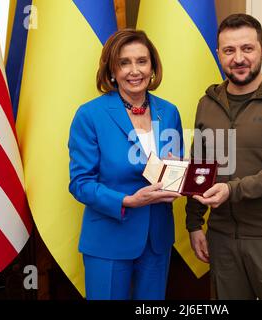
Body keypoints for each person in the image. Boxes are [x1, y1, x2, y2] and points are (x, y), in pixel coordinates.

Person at [186, 14, 262, 300]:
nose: (238, 58)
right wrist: (194, 223)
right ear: (218, 54)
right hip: (221, 240)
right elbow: (199, 167)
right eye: (229, 50)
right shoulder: (207, 104)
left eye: (247, 48)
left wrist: (232, 190)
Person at [68, 29, 183, 300]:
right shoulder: (90, 115)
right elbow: (80, 184)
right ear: (112, 70)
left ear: (152, 67)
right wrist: (127, 200)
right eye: (124, 62)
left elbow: (173, 170)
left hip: (157, 241)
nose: (135, 71)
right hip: (108, 239)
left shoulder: (170, 112)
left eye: (142, 61)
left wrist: (184, 181)